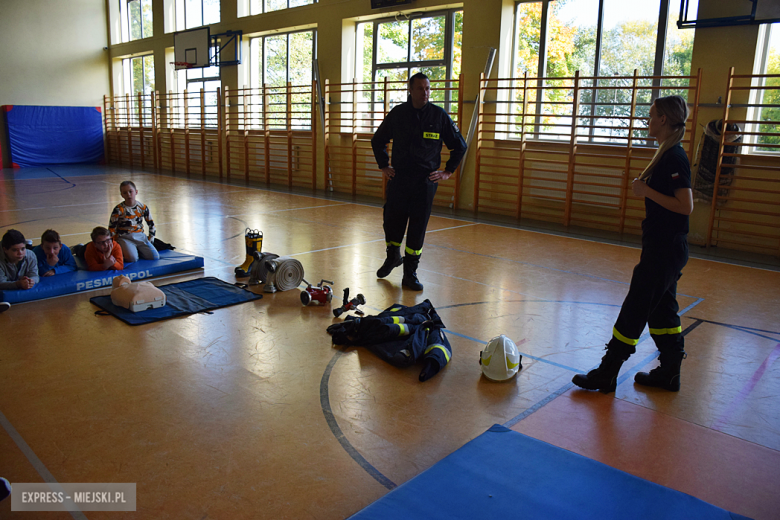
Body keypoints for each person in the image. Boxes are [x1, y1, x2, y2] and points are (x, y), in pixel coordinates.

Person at [572, 95, 694, 393]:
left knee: (636, 307)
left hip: (665, 248)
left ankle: (608, 370)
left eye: (652, 115)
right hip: (663, 246)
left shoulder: (674, 157)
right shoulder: (666, 154)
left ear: (663, 119)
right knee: (662, 312)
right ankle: (669, 372)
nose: (648, 120)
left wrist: (646, 191)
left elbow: (686, 205)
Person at [371, 72, 467, 291]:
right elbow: (378, 140)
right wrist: (384, 165)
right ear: (410, 90)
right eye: (420, 88)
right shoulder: (398, 114)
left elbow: (459, 146)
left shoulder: (439, 115)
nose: (425, 92)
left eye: (427, 88)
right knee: (392, 222)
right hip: (400, 179)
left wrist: (447, 172)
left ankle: (410, 274)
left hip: (424, 183)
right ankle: (392, 257)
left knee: (417, 228)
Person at [108, 180, 159, 263]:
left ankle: (137, 250)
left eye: (130, 191)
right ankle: (128, 250)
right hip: (125, 237)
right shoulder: (118, 209)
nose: (128, 195)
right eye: (125, 193)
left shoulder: (143, 207)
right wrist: (114, 243)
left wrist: (150, 239)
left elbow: (151, 224)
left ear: (136, 192)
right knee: (132, 259)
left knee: (154, 257)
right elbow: (111, 228)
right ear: (122, 195)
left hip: (140, 236)